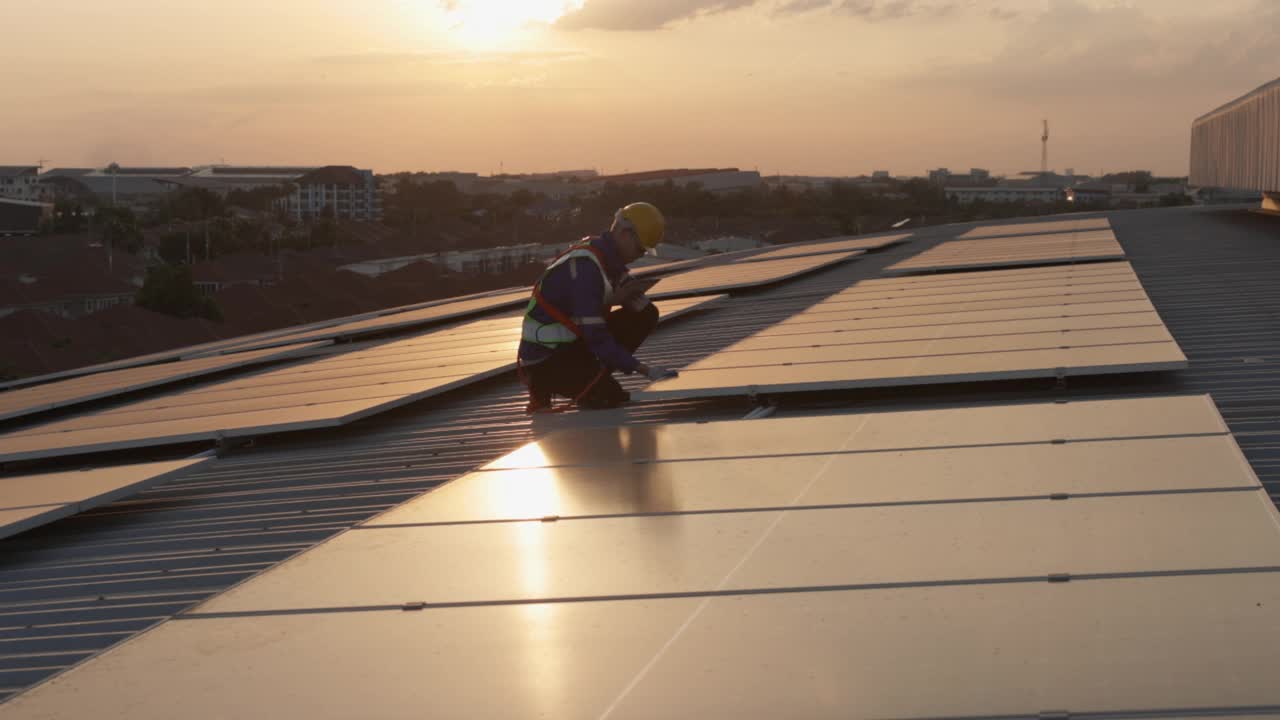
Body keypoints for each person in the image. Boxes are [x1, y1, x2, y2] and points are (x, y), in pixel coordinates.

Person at [518, 202, 679, 412]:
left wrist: (614, 299)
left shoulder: (607, 263)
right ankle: (547, 386)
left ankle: (594, 374)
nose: (641, 255)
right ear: (624, 233)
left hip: (569, 347)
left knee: (645, 313)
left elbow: (585, 312)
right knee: (608, 397)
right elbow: (595, 335)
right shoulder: (586, 268)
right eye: (640, 248)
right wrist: (644, 369)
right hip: (545, 361)